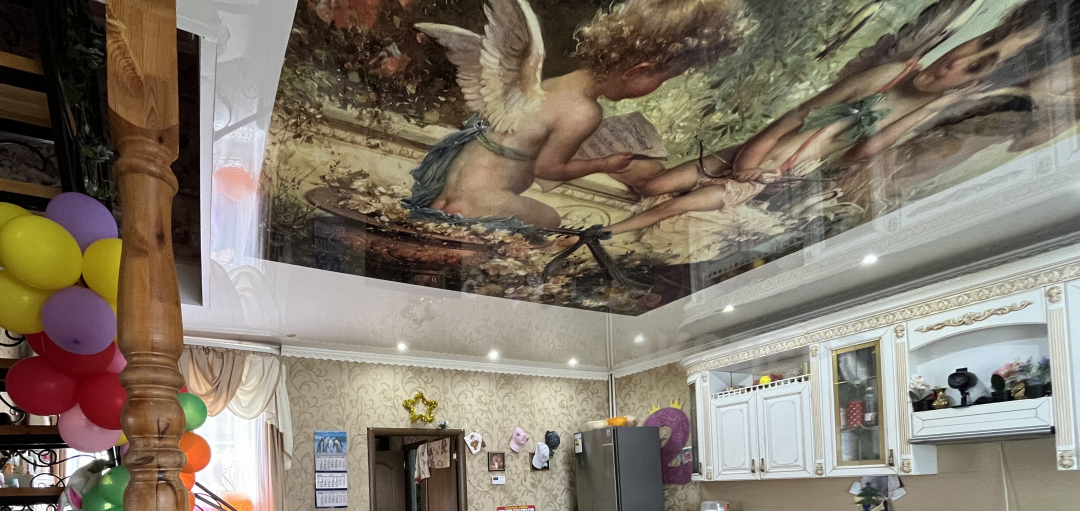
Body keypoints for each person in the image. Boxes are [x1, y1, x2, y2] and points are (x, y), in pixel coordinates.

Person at [605, 0, 1054, 235]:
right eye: (982, 41)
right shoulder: (889, 74)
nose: (956, 61)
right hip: (747, 155)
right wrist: (746, 163)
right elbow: (790, 120)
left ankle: (614, 219)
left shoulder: (923, 113)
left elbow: (858, 155)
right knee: (651, 187)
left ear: (978, 84)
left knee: (671, 205)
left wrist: (934, 109)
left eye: (976, 67)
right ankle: (625, 155)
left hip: (769, 180)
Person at [405, 0, 742, 232]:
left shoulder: (552, 83)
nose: (658, 86)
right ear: (639, 71)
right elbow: (547, 170)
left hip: (451, 185)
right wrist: (604, 164)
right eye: (663, 79)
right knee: (551, 220)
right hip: (481, 200)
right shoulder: (585, 111)